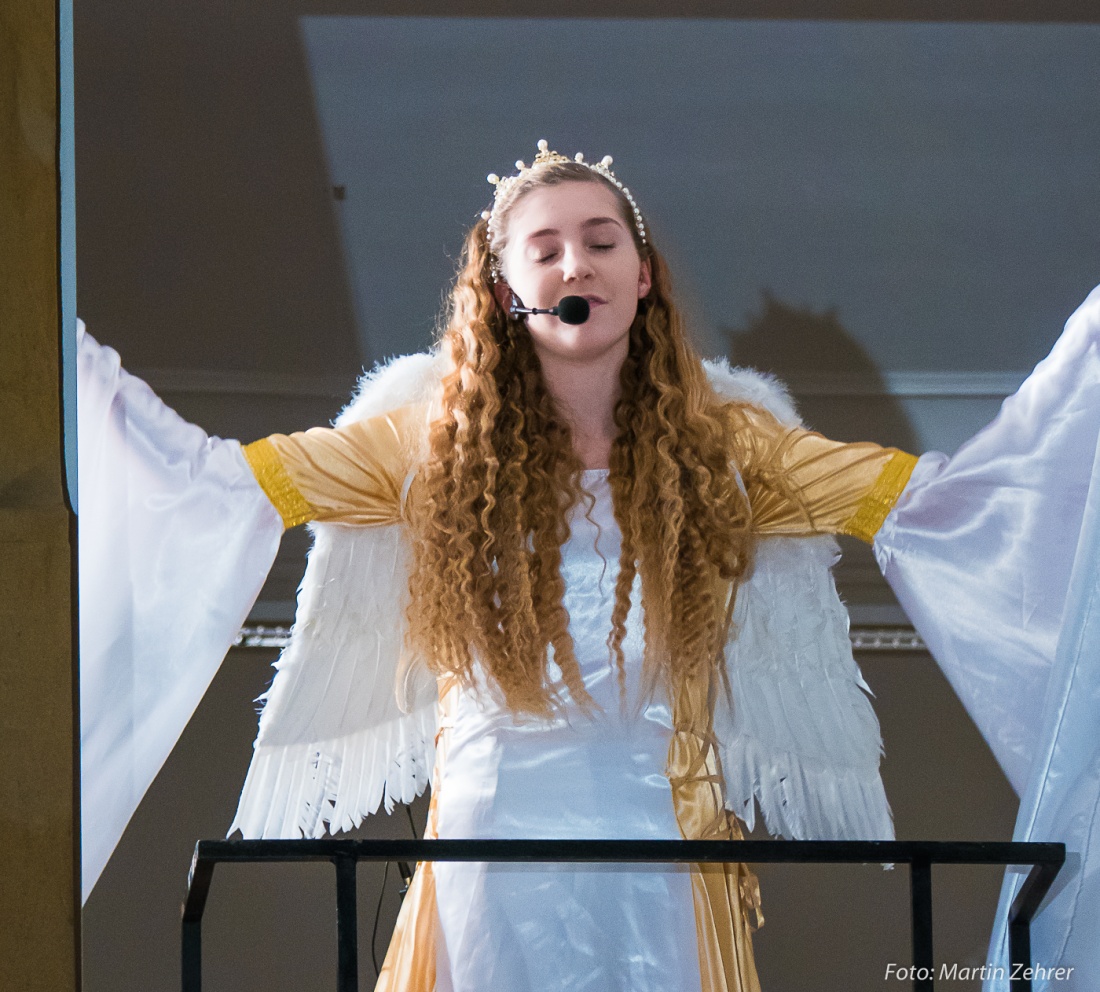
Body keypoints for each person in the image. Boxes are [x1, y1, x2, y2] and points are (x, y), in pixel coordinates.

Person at [77, 141, 1100, 991]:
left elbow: (946, 504)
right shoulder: (422, 442)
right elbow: (225, 486)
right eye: (548, 247)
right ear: (501, 284)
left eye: (603, 242)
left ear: (642, 275)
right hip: (483, 869)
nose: (578, 264)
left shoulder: (730, 444)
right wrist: (74, 377)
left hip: (666, 861)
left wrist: (1081, 374)